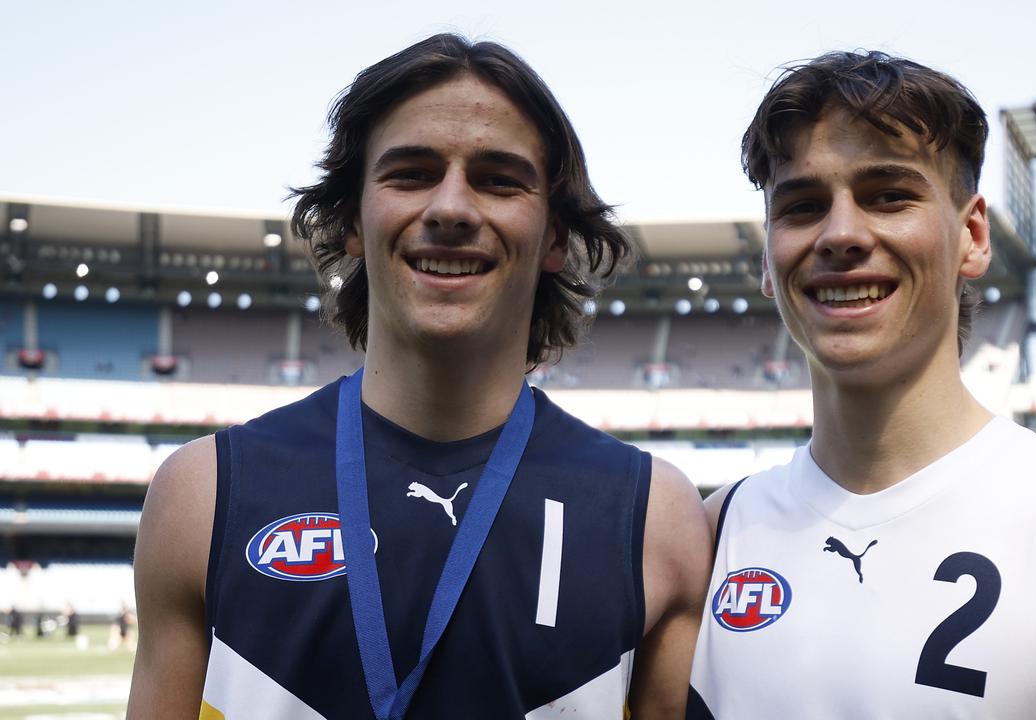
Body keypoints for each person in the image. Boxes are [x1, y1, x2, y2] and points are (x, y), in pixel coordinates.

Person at [129, 34, 710, 719]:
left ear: (555, 236)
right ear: (351, 218)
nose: (451, 209)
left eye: (498, 179)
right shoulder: (202, 496)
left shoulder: (655, 521)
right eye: (411, 172)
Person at [689, 50, 1036, 719]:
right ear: (769, 259)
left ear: (972, 234)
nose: (839, 234)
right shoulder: (707, 538)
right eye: (801, 206)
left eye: (888, 195)